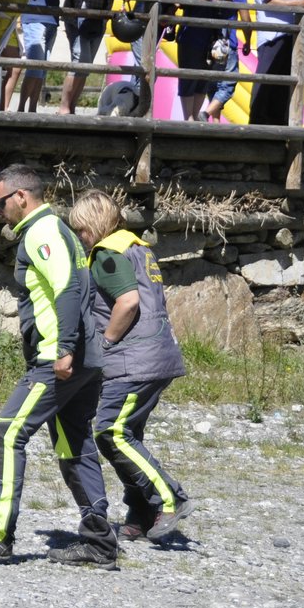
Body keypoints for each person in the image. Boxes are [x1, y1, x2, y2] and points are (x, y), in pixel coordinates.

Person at [0, 164, 107, 565]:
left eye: (0, 202)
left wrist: (65, 348)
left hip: (59, 357)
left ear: (21, 197)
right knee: (74, 443)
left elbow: (67, 287)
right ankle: (99, 541)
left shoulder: (43, 231)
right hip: (85, 357)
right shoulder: (59, 230)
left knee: (8, 431)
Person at [66, 190, 193, 558]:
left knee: (111, 431)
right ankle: (140, 513)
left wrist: (105, 341)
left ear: (93, 225)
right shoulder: (139, 248)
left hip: (133, 360)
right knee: (128, 434)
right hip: (156, 354)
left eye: (81, 230)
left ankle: (170, 498)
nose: (80, 238)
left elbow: (128, 301)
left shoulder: (108, 254)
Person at [145, 0, 235, 121]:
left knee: (203, 79)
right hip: (185, 34)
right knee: (183, 76)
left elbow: (237, 13)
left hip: (211, 39)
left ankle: (195, 117)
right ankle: (188, 119)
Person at [3, 0, 64, 112]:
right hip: (4, 23)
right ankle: (18, 108)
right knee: (28, 67)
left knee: (39, 70)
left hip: (13, 24)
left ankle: (31, 109)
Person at [201, 0, 248, 123]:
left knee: (214, 84)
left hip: (210, 43)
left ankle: (215, 122)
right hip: (225, 44)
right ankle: (206, 114)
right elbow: (245, 17)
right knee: (228, 83)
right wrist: (248, 40)